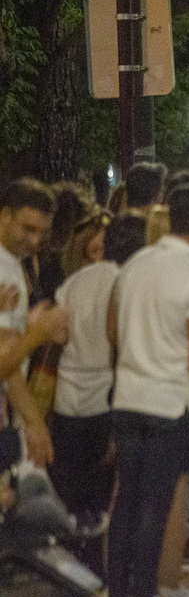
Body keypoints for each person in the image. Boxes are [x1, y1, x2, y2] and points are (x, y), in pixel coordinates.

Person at [106, 184, 189, 597]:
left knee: (125, 504)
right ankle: (145, 596)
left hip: (127, 399)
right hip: (169, 403)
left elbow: (111, 330)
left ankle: (116, 592)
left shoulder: (136, 264)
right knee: (156, 504)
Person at [49, 211, 147, 578]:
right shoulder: (126, 283)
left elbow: (58, 337)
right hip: (107, 398)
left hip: (67, 400)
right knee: (108, 502)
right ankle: (105, 577)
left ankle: (75, 577)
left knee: (74, 501)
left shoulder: (74, 283)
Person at [0, 178, 58, 466]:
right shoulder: (4, 270)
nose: (35, 241)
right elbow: (4, 359)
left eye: (41, 232)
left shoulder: (11, 263)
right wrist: (34, 421)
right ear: (5, 215)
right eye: (28, 229)